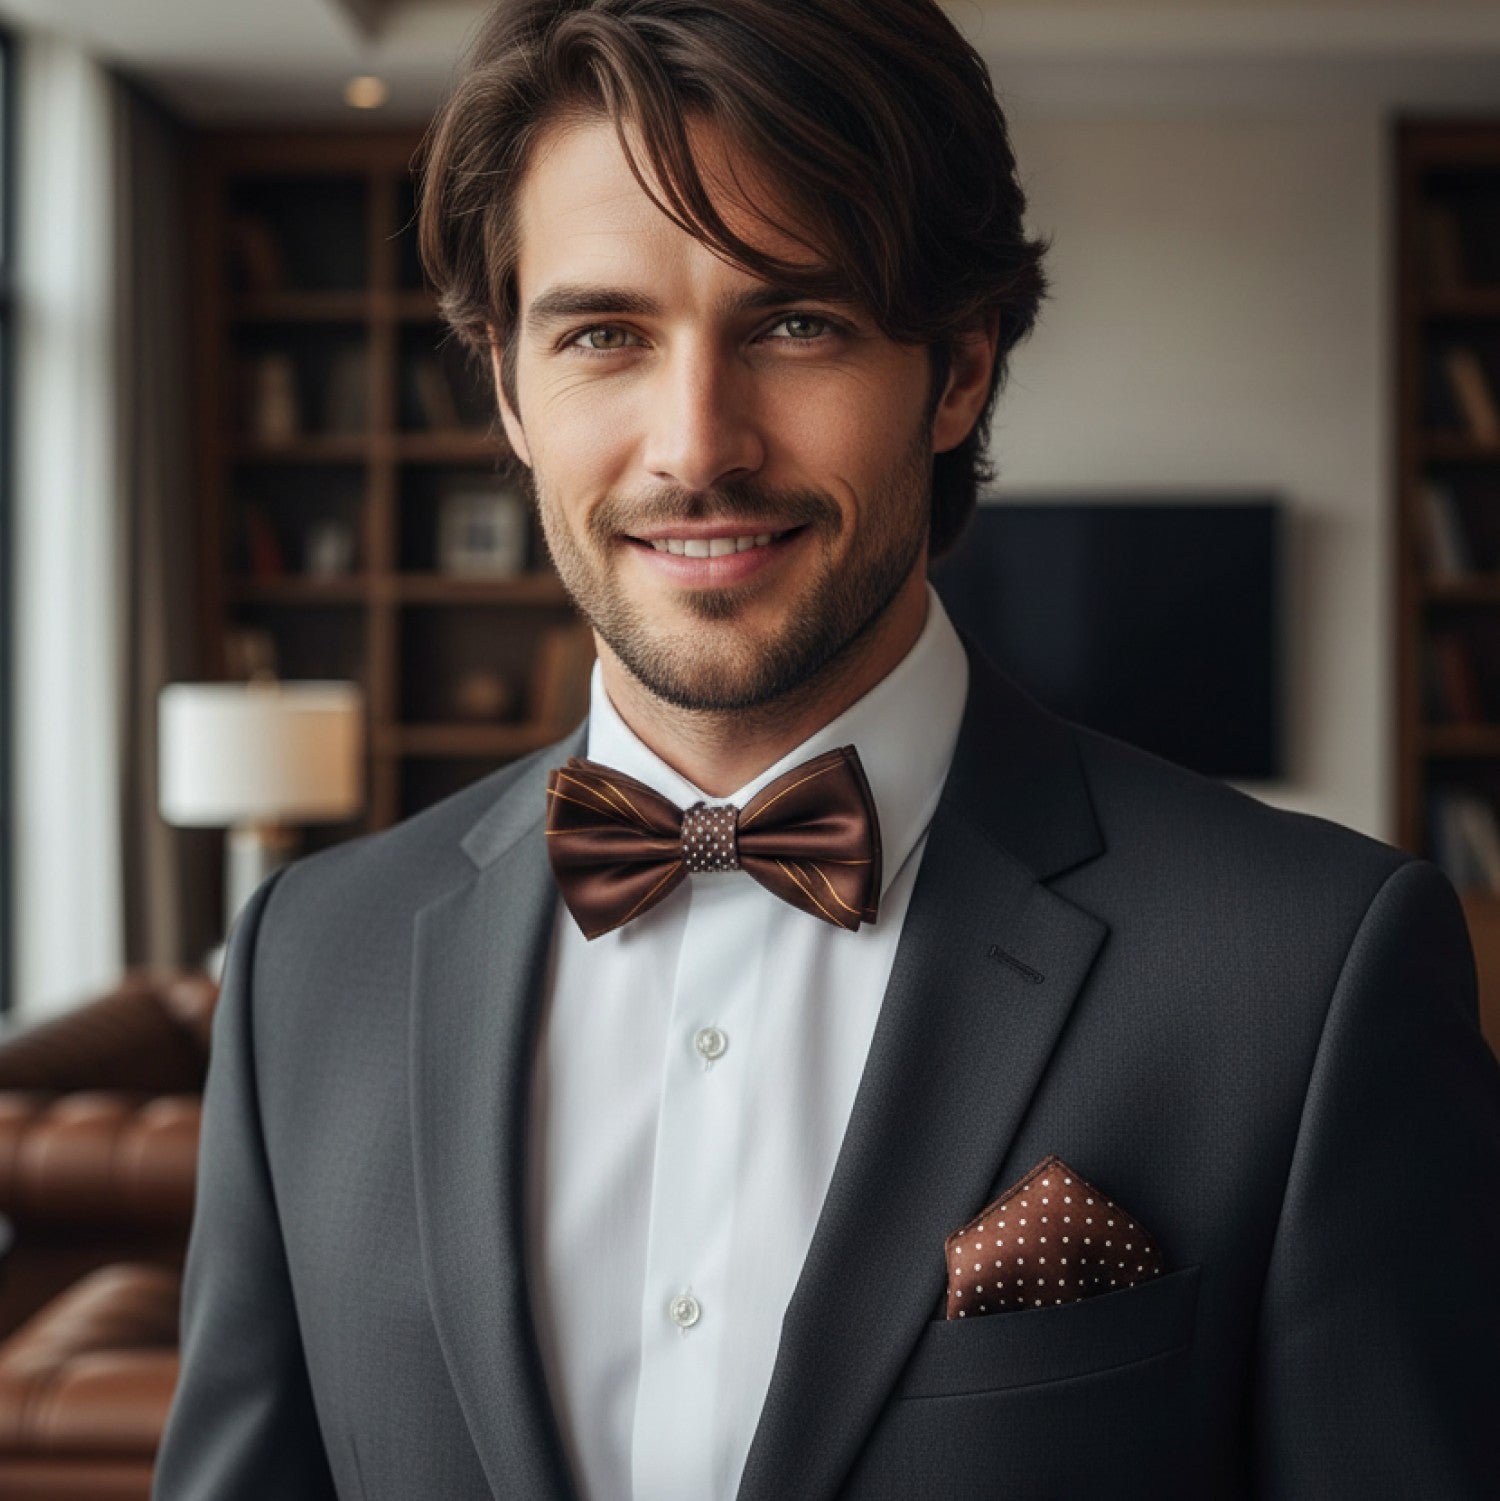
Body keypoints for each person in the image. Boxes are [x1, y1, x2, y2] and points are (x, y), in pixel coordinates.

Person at [153, 1, 1500, 1497]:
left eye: (794, 321)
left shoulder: (1309, 971)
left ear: (962, 366)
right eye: (604, 333)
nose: (695, 444)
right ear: (508, 387)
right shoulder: (305, 964)